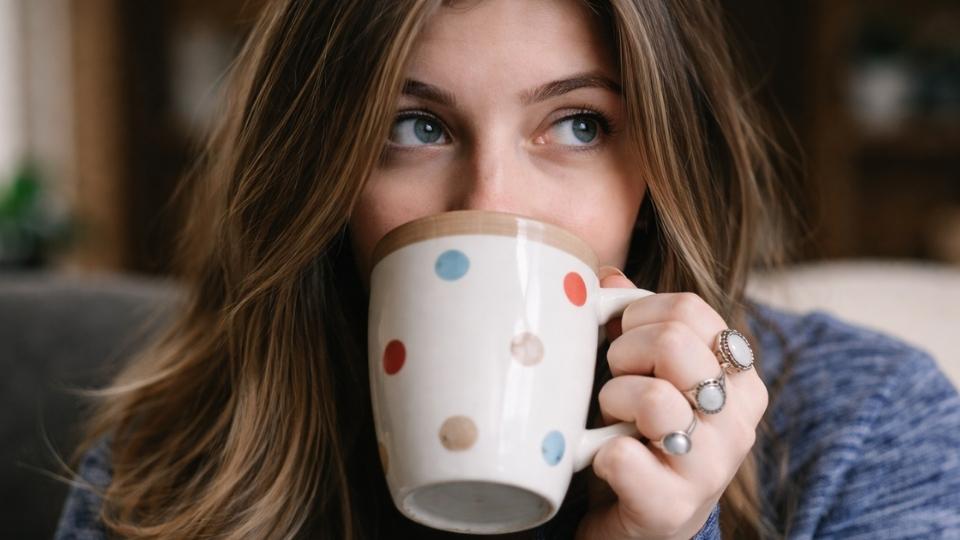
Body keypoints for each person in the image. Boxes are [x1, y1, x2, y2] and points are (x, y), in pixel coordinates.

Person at [54, 0, 960, 539]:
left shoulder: (868, 429)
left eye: (577, 124)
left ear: (664, 158)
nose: (491, 203)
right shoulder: (172, 467)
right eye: (416, 127)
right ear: (321, 173)